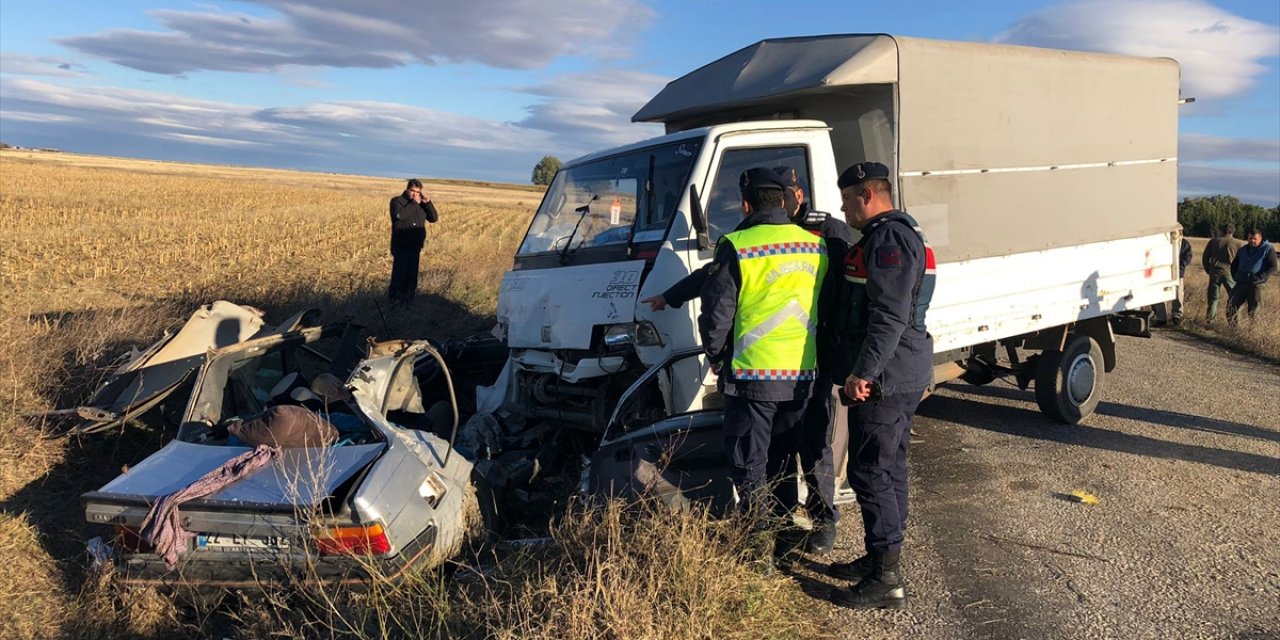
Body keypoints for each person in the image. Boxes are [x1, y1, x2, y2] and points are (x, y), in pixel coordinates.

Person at [697, 167, 827, 566]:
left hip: (753, 374)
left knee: (749, 463)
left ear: (746, 203)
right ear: (785, 201)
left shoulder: (737, 245)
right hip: (803, 374)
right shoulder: (814, 245)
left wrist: (717, 357)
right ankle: (787, 534)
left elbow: (716, 313)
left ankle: (760, 552)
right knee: (785, 458)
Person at [825, 161, 935, 610]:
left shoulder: (889, 240)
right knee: (889, 469)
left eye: (848, 199)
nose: (844, 208)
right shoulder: (891, 235)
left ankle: (887, 577)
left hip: (887, 377)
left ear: (867, 195)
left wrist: (862, 373)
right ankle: (879, 559)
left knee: (870, 471)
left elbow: (889, 316)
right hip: (900, 371)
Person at [388, 179, 439, 304]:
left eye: (418, 192)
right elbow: (400, 216)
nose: (415, 194)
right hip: (401, 245)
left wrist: (428, 203)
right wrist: (414, 204)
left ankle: (408, 302)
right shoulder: (397, 202)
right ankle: (394, 302)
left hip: (415, 246)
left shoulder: (421, 204)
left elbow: (433, 218)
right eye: (413, 191)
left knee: (411, 278)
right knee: (399, 277)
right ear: (407, 189)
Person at [1226, 228, 1277, 325]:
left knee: (1254, 312)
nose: (1252, 241)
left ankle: (1251, 334)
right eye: (1250, 239)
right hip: (1241, 283)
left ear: (1260, 238)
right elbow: (1234, 264)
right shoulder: (1243, 249)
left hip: (1255, 285)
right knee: (1231, 306)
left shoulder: (1268, 249)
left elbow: (1273, 267)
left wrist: (1260, 277)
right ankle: (1234, 332)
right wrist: (1236, 276)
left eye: (1255, 239)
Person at [1202, 223, 1242, 321]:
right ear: (1233, 231)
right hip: (1230, 273)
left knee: (1213, 299)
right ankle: (1234, 323)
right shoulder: (1238, 243)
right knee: (1234, 299)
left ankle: (1210, 321)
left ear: (1222, 231)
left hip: (1215, 272)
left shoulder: (1213, 242)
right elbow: (1242, 260)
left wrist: (1208, 270)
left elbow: (1205, 257)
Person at [1152, 231, 1192, 327]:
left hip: (1178, 273)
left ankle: (1176, 317)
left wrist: (1180, 266)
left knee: (1178, 295)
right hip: (1163, 272)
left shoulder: (1184, 243)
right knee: (1161, 294)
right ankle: (1161, 318)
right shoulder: (1163, 241)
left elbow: (1188, 256)